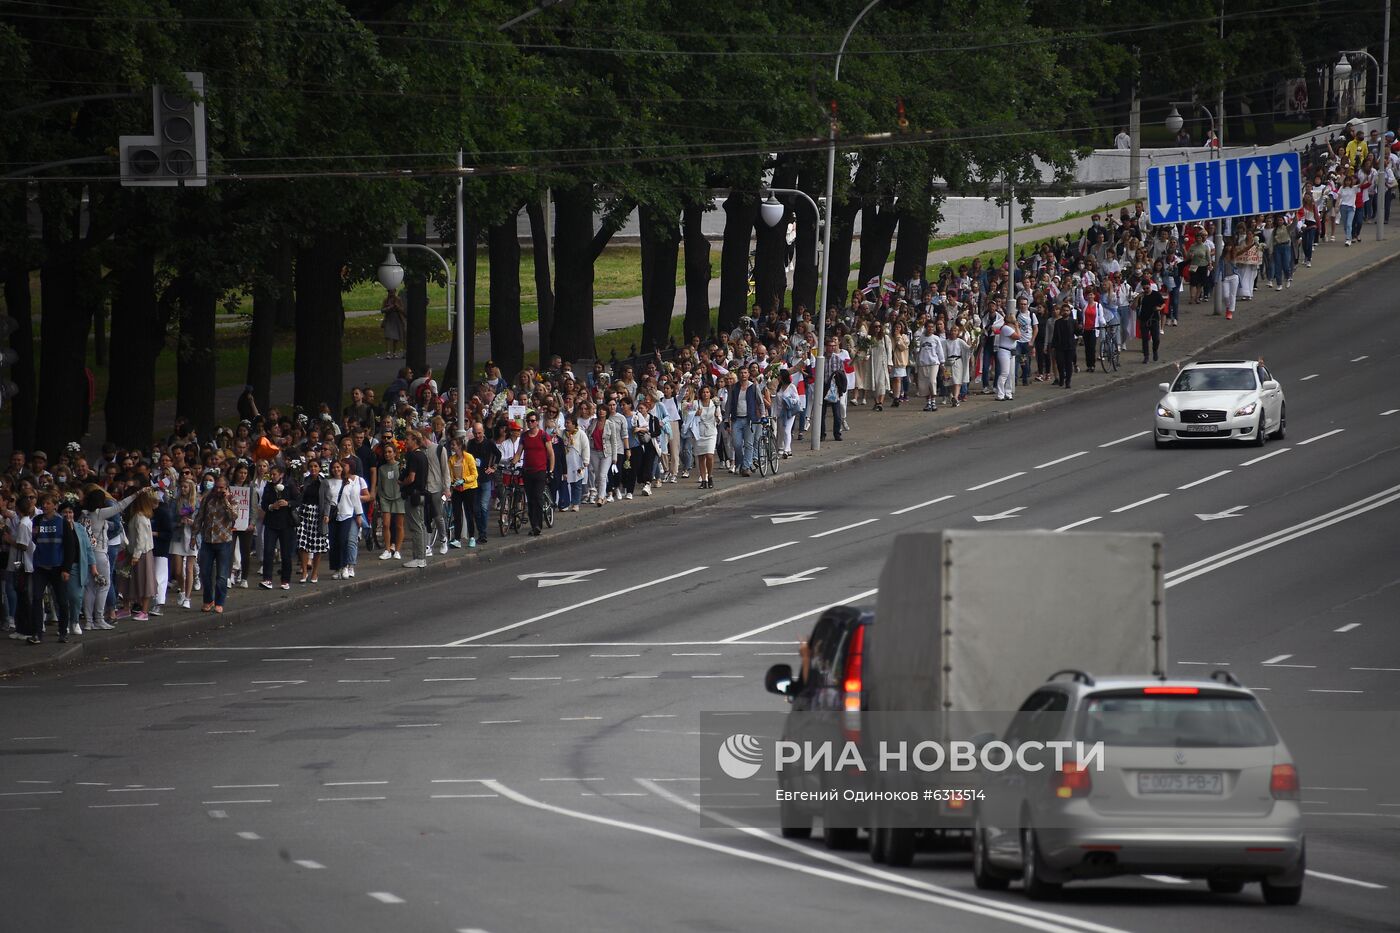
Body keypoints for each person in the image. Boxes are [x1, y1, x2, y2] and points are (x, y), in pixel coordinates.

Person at [30, 493, 76, 642]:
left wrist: (66, 569)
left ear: (55, 505)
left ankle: (63, 632)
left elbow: (70, 547)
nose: (45, 506)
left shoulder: (62, 522)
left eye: (48, 503)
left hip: (57, 567)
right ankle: (37, 633)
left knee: (62, 601)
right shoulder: (36, 520)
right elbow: (35, 539)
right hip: (40, 566)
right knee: (36, 598)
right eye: (43, 503)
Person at [193, 475, 237, 613]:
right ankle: (208, 600)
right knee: (205, 573)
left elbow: (233, 517)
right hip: (207, 540)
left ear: (226, 488)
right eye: (217, 487)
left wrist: (225, 500)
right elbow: (199, 517)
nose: (218, 490)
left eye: (221, 488)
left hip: (224, 541)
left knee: (222, 575)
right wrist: (194, 535)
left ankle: (220, 601)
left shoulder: (231, 499)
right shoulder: (207, 499)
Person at [259, 464, 299, 590]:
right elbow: (264, 504)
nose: (272, 476)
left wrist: (288, 503)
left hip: (286, 523)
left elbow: (298, 500)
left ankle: (285, 580)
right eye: (271, 474)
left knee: (286, 553)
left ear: (281, 474)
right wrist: (272, 506)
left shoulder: (289, 485)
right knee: (268, 551)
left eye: (274, 474)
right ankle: (267, 579)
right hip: (271, 523)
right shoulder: (268, 486)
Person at [514, 412, 554, 537]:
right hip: (527, 471)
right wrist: (513, 462)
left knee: (537, 497)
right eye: (528, 421)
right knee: (530, 500)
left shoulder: (543, 435)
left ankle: (538, 525)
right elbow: (519, 453)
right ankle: (534, 524)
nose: (530, 423)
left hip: (540, 471)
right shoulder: (524, 436)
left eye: (532, 420)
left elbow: (551, 454)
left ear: (537, 422)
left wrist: (551, 470)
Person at [321, 459, 360, 580]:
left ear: (342, 468)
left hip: (346, 515)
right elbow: (326, 500)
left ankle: (345, 566)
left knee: (343, 541)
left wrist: (359, 515)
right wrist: (325, 514)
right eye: (334, 467)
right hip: (332, 516)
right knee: (333, 542)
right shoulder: (327, 482)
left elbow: (355, 500)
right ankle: (336, 568)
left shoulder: (349, 482)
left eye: (338, 467)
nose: (336, 469)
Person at [295, 458, 329, 582]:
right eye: (311, 466)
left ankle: (315, 572)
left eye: (315, 466)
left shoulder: (324, 482)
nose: (313, 469)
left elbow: (327, 500)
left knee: (318, 544)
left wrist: (326, 514)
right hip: (304, 513)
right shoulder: (305, 481)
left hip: (317, 514)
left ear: (319, 468)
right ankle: (304, 572)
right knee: (302, 542)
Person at [399, 431, 430, 566]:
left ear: (415, 441)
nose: (406, 441)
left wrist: (402, 483)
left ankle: (419, 557)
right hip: (422, 494)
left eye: (408, 439)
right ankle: (421, 555)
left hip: (414, 495)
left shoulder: (413, 456)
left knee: (416, 526)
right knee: (421, 525)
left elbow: (411, 477)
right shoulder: (423, 456)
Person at [466, 422, 500, 542]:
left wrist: (493, 467)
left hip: (485, 479)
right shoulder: (470, 444)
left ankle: (483, 534)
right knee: (476, 509)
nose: (477, 436)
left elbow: (498, 454)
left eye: (479, 433)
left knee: (483, 506)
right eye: (475, 433)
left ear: (483, 432)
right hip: (474, 480)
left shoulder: (489, 443)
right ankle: (480, 531)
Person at [447, 432, 479, 545]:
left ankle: (471, 537)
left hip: (469, 488)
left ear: (459, 446)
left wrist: (464, 480)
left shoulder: (469, 457)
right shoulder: (451, 459)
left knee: (469, 512)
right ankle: (457, 539)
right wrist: (452, 483)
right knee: (457, 514)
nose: (452, 447)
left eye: (454, 445)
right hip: (457, 489)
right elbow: (450, 474)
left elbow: (475, 475)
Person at [693, 383, 721, 488]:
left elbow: (719, 419)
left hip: (711, 432)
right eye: (704, 392)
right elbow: (687, 412)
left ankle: (710, 476)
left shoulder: (715, 404)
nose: (705, 394)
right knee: (701, 457)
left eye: (707, 392)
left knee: (709, 455)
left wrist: (717, 417)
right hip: (699, 432)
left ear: (710, 394)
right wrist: (695, 414)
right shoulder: (696, 403)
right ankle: (703, 480)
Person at [821, 337, 848, 438]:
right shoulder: (821, 358)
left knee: (836, 412)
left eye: (834, 346)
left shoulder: (838, 359)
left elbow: (842, 373)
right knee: (821, 413)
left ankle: (837, 433)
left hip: (834, 388)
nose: (832, 348)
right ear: (826, 347)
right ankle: (821, 434)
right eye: (830, 346)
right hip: (823, 387)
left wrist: (840, 386)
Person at [913, 321, 943, 412]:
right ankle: (928, 402)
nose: (930, 329)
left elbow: (939, 350)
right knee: (924, 384)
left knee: (932, 381)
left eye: (932, 327)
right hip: (923, 363)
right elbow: (916, 350)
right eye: (929, 327)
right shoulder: (921, 338)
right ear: (926, 328)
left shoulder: (936, 338)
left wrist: (942, 362)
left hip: (933, 363)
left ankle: (933, 401)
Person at [1050, 303, 1078, 388]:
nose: (1065, 312)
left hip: (1070, 346)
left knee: (1068, 364)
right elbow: (1055, 335)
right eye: (1064, 311)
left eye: (1067, 311)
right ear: (1061, 312)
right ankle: (1061, 378)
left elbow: (1077, 332)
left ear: (1069, 312)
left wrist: (1080, 328)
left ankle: (1068, 381)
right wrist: (1053, 347)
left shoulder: (1073, 322)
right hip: (1060, 347)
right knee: (1060, 363)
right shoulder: (1058, 322)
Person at [1139, 282, 1164, 363]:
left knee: (1156, 338)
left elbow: (1163, 303)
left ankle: (1155, 350)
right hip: (1143, 319)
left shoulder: (1156, 294)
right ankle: (1146, 356)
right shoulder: (1142, 296)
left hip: (1154, 319)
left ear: (1150, 286)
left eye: (1147, 288)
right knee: (1145, 339)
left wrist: (1159, 308)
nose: (1146, 290)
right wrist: (1137, 298)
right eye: (1144, 288)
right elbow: (1134, 306)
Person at [380, 289, 406, 359]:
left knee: (396, 337)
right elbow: (382, 310)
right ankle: (388, 353)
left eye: (392, 292)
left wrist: (397, 307)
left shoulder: (398, 300)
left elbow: (402, 310)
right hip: (389, 319)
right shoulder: (386, 300)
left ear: (395, 292)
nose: (391, 294)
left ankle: (394, 353)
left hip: (397, 319)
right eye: (390, 292)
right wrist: (389, 308)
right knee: (388, 336)